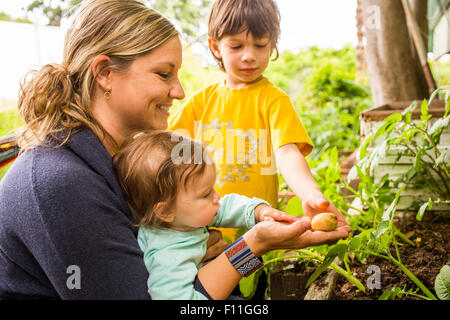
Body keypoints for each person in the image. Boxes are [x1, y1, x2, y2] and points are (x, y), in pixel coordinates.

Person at [0, 0, 350, 300]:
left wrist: (213, 255)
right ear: (105, 73)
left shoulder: (114, 160)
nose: (180, 91)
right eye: (164, 74)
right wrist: (253, 247)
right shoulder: (61, 186)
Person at [169, 0, 342, 241]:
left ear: (272, 46)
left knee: (253, 276)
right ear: (216, 47)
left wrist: (310, 194)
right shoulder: (200, 104)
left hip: (257, 231)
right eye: (236, 46)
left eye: (260, 45)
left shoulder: (274, 100)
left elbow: (288, 153)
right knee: (211, 278)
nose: (249, 56)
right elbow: (165, 149)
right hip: (204, 234)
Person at [113, 130, 300, 299]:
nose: (217, 197)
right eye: (205, 194)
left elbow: (228, 206)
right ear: (165, 211)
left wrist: (259, 212)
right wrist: (257, 244)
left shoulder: (185, 216)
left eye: (212, 188)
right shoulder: (168, 255)